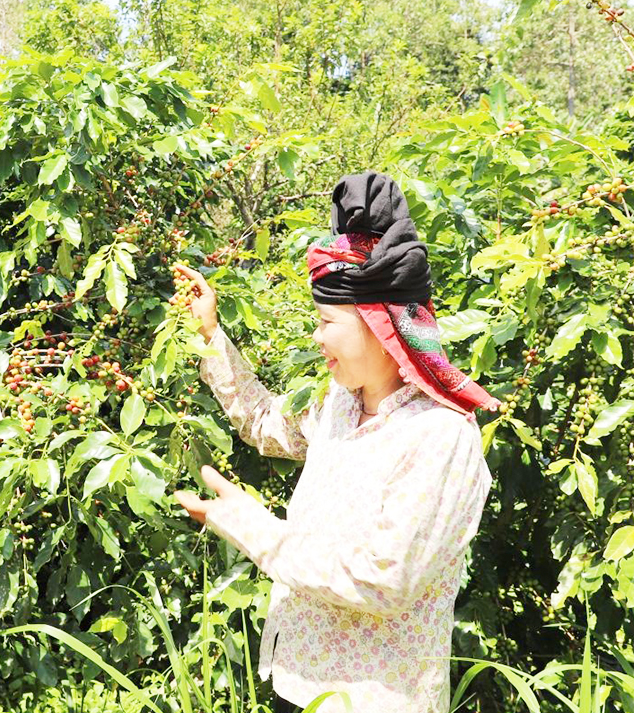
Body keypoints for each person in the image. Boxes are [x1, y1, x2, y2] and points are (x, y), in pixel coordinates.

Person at [174, 171, 498, 713]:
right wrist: (211, 335)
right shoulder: (339, 406)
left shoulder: (438, 437)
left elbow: (384, 581)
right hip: (294, 682)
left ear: (379, 324)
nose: (318, 337)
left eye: (326, 321)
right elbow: (261, 421)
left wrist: (256, 530)